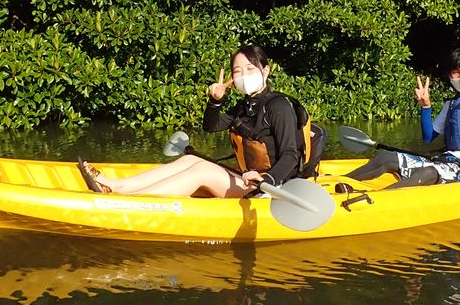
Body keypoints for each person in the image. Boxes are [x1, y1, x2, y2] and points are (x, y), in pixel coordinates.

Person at [78, 44, 306, 196]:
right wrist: (215, 101)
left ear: (265, 71)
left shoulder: (278, 106)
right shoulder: (245, 105)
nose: (243, 75)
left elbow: (291, 155)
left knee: (203, 172)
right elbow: (211, 126)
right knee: (190, 162)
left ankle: (129, 199)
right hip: (249, 180)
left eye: (249, 68)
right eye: (237, 71)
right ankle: (117, 186)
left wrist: (266, 178)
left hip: (273, 188)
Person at [345, 47, 460, 187]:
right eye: (456, 73)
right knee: (386, 156)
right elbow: (428, 138)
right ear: (449, 75)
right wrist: (426, 106)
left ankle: (378, 202)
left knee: (428, 172)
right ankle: (340, 183)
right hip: (449, 161)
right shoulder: (451, 105)